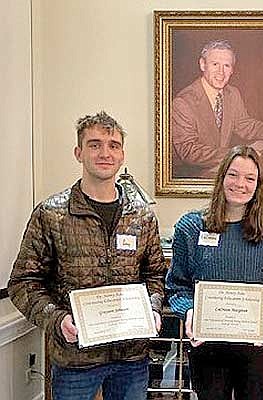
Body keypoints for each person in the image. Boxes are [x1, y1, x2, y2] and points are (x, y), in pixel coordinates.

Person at [8, 111, 167, 400]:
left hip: (131, 358)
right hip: (75, 359)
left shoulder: (142, 215)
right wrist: (57, 320)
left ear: (121, 155)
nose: (105, 152)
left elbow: (155, 276)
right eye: (94, 144)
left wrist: (153, 309)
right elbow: (23, 283)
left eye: (113, 145)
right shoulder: (51, 214)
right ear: (78, 153)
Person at [166, 145, 263, 400]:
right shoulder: (191, 226)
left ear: (258, 184)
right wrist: (190, 312)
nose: (241, 184)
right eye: (233, 175)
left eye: (250, 178)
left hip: (257, 345)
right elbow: (176, 286)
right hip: (207, 345)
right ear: (222, 178)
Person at [172, 39, 263, 178]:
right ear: (203, 65)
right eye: (215, 64)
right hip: (191, 175)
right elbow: (188, 151)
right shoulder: (183, 102)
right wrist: (234, 154)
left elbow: (245, 125)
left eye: (226, 66)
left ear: (232, 70)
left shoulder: (232, 93)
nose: (221, 72)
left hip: (222, 168)